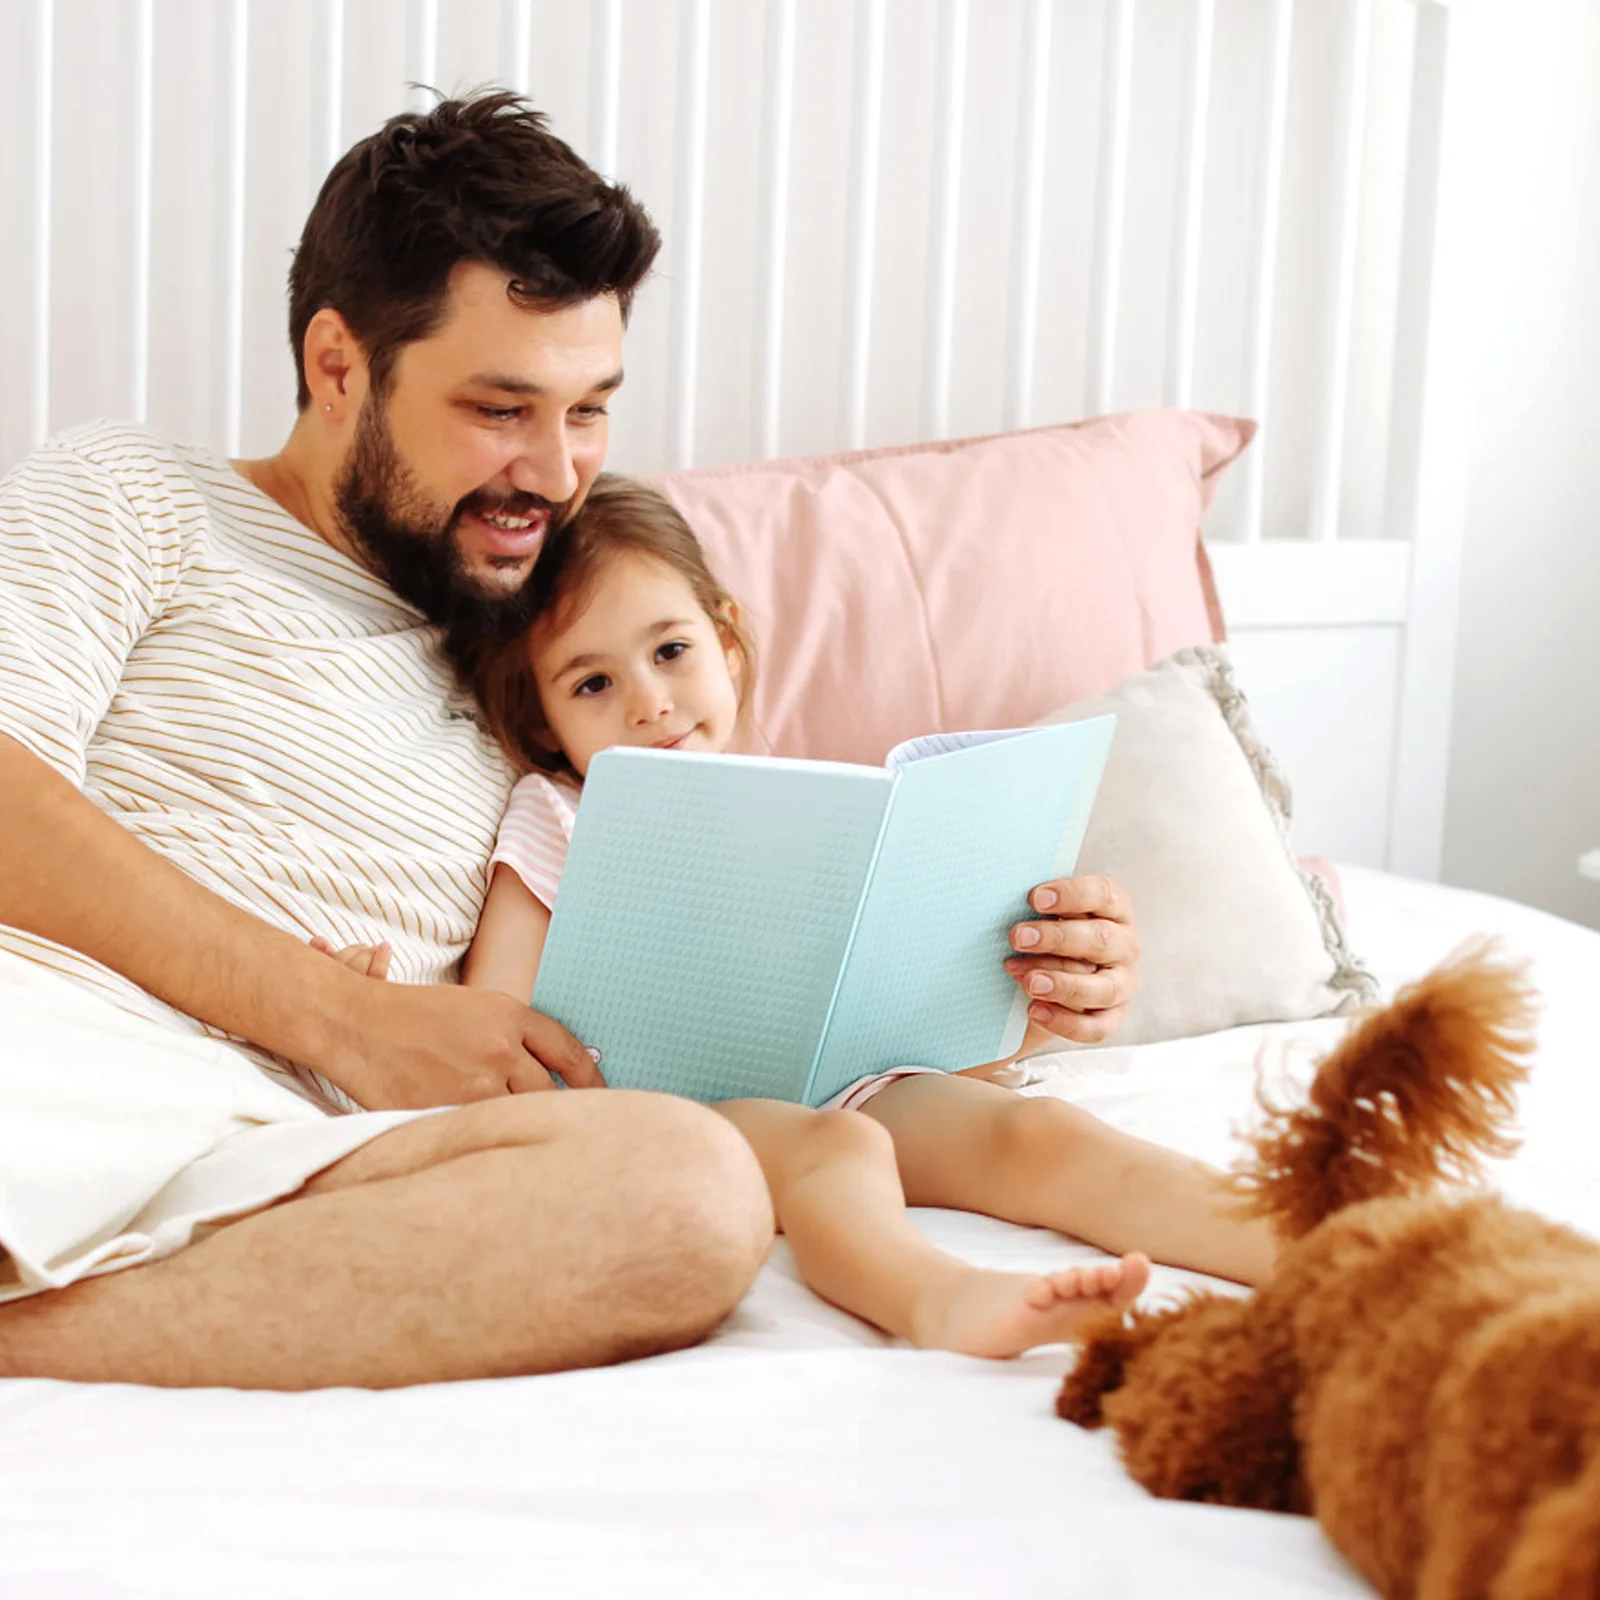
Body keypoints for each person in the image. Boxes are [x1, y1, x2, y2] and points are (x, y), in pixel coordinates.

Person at [0, 93, 1144, 1389]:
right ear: (337, 366)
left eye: (589, 409)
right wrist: (330, 1015)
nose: (554, 473)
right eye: (501, 409)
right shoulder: (133, 494)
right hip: (56, 1058)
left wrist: (1013, 983)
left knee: (688, 1192)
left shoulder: (551, 671)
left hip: (301, 1165)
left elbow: (718, 1025)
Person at [422, 476, 1274, 1356]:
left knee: (1037, 1131)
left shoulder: (816, 803)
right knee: (836, 1150)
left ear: (726, 640)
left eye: (670, 652)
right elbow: (494, 1018)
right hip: (662, 1115)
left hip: (850, 1084)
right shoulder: (558, 812)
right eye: (593, 682)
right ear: (548, 722)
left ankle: (1309, 1242)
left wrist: (1029, 994)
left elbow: (927, 1036)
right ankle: (937, 1299)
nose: (649, 701)